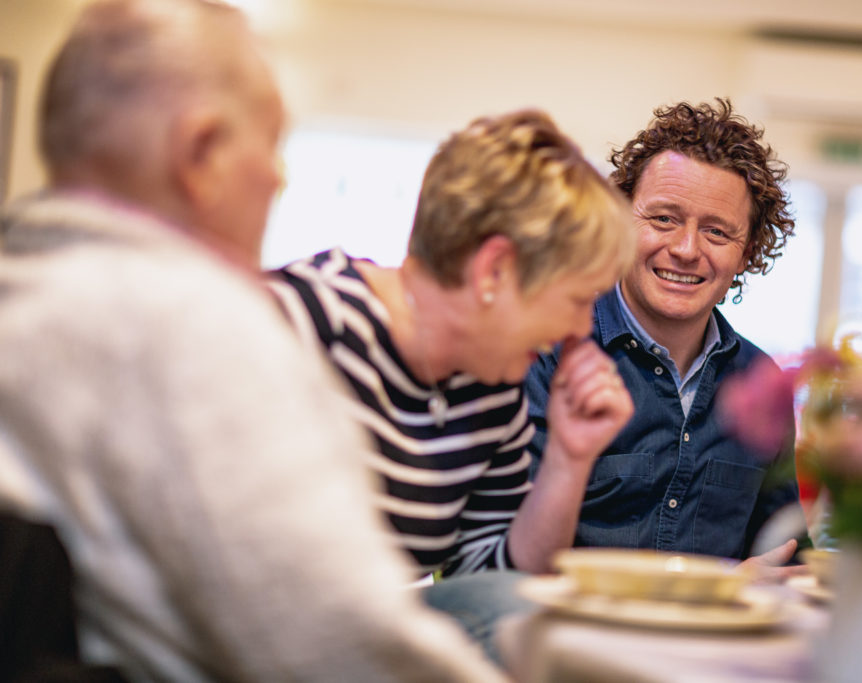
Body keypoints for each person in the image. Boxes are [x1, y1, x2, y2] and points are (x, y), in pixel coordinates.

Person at [0, 0, 507, 680]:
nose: (279, 177)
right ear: (201, 152)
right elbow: (341, 642)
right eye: (270, 143)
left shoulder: (27, 290)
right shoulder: (196, 325)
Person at [267, 111, 635, 578]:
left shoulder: (492, 383)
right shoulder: (303, 321)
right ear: (493, 270)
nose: (581, 329)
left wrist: (569, 459)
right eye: (579, 299)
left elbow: (496, 584)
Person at [525, 99, 804, 572]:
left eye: (717, 232)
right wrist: (719, 596)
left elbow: (785, 552)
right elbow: (502, 561)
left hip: (716, 646)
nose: (686, 249)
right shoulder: (545, 353)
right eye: (663, 219)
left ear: (748, 251)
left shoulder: (761, 383)